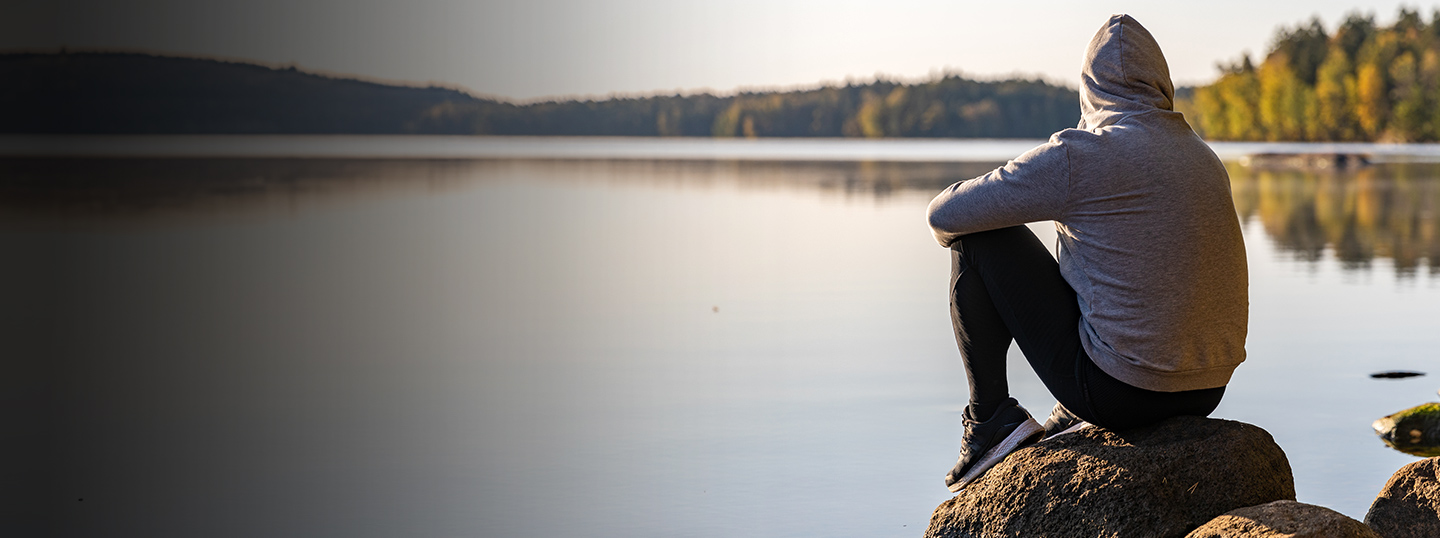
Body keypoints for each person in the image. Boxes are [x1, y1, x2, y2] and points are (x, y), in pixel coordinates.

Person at [925, 14, 1248, 493]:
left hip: (1122, 392)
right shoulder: (1203, 157)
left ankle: (990, 419)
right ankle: (1069, 408)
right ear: (1161, 82)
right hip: (1207, 390)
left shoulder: (1083, 154)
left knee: (979, 240)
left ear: (1090, 88)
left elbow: (944, 215)